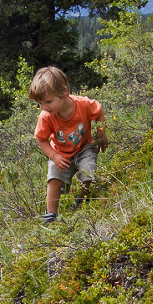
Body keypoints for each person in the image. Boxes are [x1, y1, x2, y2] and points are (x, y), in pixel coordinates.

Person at [29, 66, 107, 224]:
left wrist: (101, 133)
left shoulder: (83, 105)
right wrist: (54, 156)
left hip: (85, 147)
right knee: (54, 178)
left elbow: (98, 112)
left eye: (48, 102)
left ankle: (82, 199)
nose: (44, 107)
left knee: (88, 172)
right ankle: (51, 214)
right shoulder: (46, 117)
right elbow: (41, 139)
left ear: (64, 93)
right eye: (40, 103)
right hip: (60, 153)